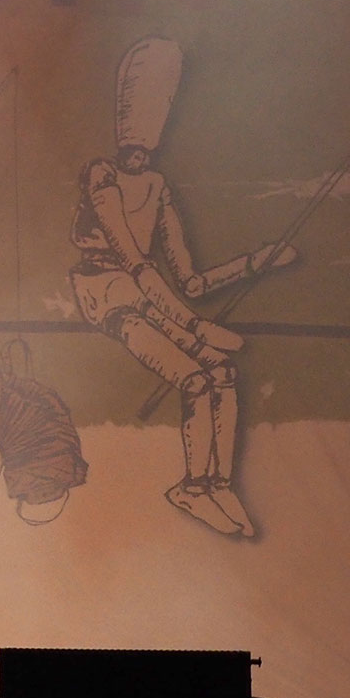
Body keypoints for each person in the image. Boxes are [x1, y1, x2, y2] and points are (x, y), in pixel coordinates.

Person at [70, 37, 297, 537]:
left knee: (221, 370)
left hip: (146, 295)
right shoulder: (99, 174)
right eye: (131, 143)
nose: (138, 153)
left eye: (146, 145)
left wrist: (254, 264)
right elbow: (131, 261)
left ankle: (214, 483)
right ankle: (192, 486)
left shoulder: (158, 187)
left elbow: (190, 280)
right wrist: (195, 328)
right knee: (194, 377)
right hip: (105, 293)